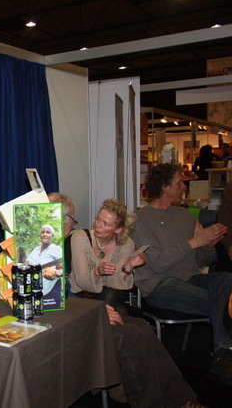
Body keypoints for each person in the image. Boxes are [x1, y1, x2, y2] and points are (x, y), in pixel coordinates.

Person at [48, 192, 202, 407]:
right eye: (72, 220)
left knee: (143, 328)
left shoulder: (60, 244)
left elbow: (110, 285)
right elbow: (57, 299)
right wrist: (95, 310)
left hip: (85, 308)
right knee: (131, 335)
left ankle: (183, 399)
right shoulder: (50, 250)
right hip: (70, 321)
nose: (73, 225)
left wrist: (126, 269)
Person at [132, 163, 232, 386]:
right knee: (224, 301)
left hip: (191, 278)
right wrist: (195, 242)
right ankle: (225, 353)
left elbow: (200, 261)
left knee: (226, 279)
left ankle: (224, 354)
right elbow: (157, 263)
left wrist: (207, 246)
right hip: (159, 284)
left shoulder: (184, 215)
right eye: (180, 183)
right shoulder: (141, 219)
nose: (184, 187)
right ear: (165, 187)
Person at [69, 199, 146, 315]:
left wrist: (129, 266)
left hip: (110, 294)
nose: (98, 225)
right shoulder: (80, 237)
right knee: (120, 311)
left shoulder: (126, 244)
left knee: (113, 298)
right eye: (98, 219)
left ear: (118, 229)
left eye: (105, 224)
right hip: (82, 294)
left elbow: (114, 283)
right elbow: (82, 282)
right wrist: (97, 272)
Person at [26, 224, 62, 298]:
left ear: (52, 236)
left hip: (49, 292)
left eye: (48, 232)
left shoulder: (56, 249)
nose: (45, 234)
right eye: (43, 232)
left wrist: (56, 273)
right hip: (33, 291)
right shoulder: (36, 249)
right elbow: (26, 264)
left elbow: (61, 269)